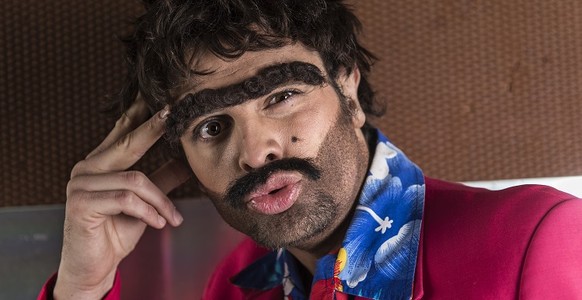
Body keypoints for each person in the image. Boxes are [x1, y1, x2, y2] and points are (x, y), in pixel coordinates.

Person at [39, 0, 582, 299]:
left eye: (282, 96)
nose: (255, 151)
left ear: (347, 88)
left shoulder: (540, 238)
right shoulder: (234, 289)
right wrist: (82, 288)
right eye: (210, 127)